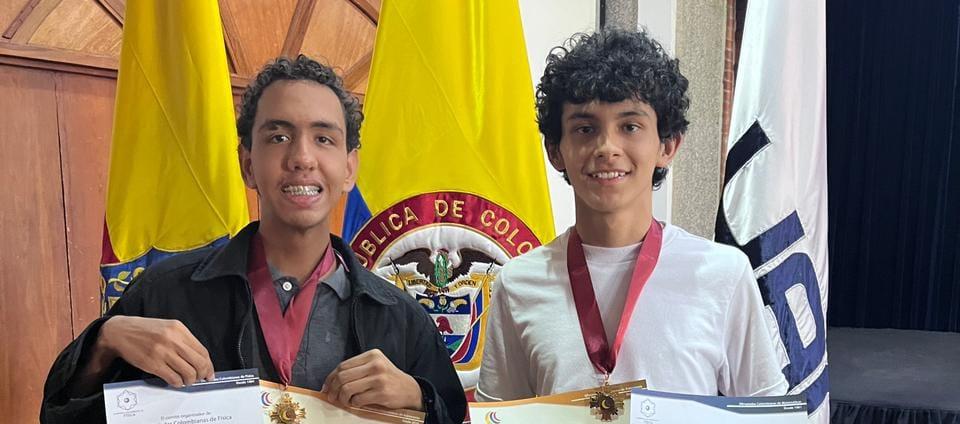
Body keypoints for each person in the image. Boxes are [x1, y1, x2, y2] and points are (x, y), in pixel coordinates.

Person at [40, 55, 466, 424]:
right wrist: (103, 343)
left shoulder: (401, 319)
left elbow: (451, 413)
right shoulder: (164, 295)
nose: (301, 157)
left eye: (323, 138)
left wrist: (420, 401)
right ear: (247, 164)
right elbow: (61, 417)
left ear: (350, 168)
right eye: (278, 137)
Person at [475, 30, 788, 401]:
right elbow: (501, 415)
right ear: (556, 151)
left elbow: (769, 412)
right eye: (585, 128)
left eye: (630, 126)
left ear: (667, 146)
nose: (606, 147)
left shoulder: (723, 274)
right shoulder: (518, 283)